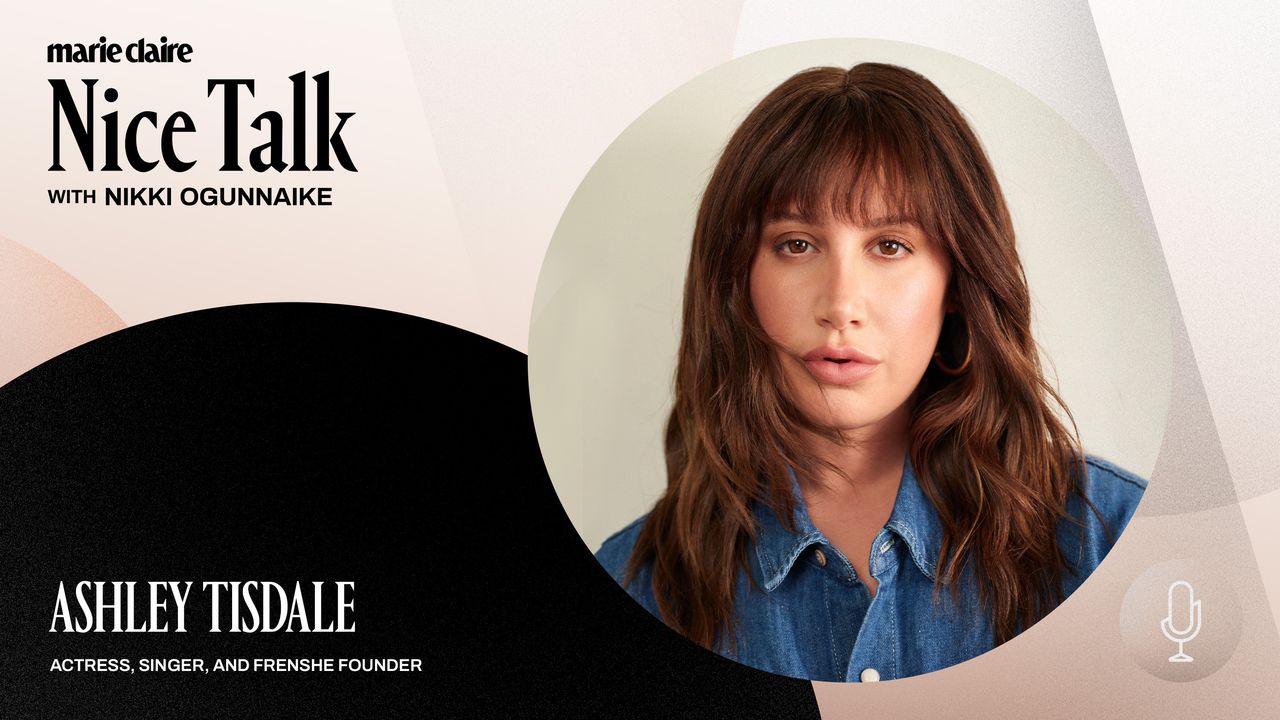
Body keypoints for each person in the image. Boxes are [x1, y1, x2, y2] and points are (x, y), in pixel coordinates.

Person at [594, 62, 1146, 682]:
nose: (840, 305)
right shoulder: (635, 583)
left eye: (890, 246)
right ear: (737, 281)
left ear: (957, 284)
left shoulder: (1116, 539)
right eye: (796, 244)